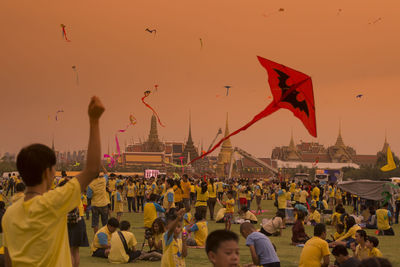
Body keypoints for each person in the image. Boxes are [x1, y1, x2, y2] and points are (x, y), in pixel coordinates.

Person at [1, 96, 104, 266]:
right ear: (47, 172)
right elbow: (92, 169)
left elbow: (9, 260)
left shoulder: (10, 214)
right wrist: (94, 121)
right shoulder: (53, 203)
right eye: (53, 168)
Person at [88, 166, 111, 234]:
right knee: (105, 222)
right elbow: (106, 173)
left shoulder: (90, 184)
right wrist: (102, 166)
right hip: (104, 204)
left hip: (95, 205)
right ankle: (106, 235)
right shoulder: (103, 180)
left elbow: (89, 196)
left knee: (95, 223)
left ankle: (96, 237)